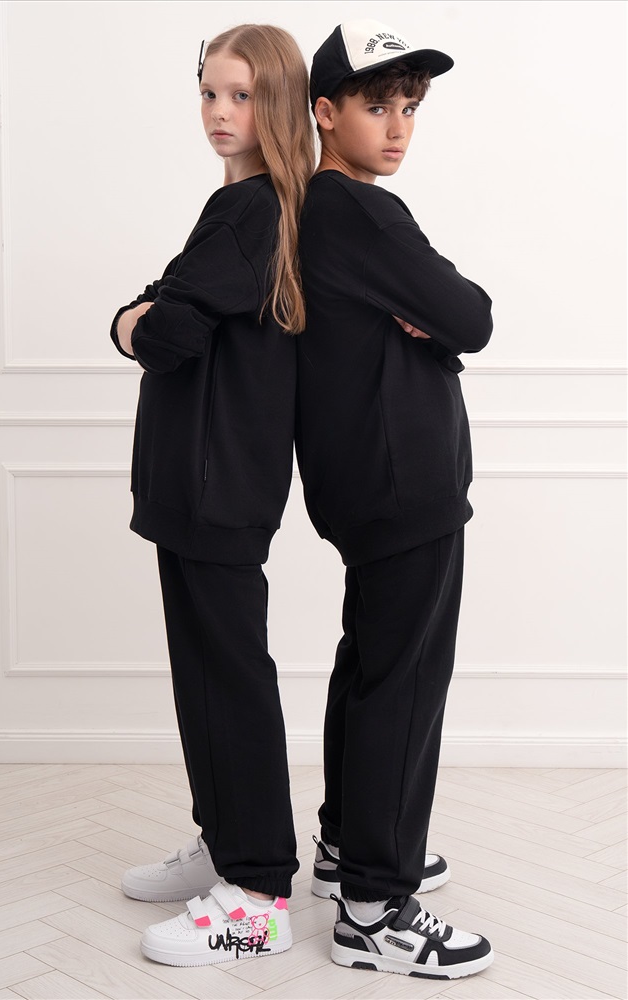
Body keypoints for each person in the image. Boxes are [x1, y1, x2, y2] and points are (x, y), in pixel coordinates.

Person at [110, 24, 314, 967]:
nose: (220, 113)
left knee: (227, 677)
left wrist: (134, 317)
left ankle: (259, 891)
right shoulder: (238, 206)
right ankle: (224, 842)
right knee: (205, 672)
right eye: (209, 93)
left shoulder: (255, 209)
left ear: (278, 104)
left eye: (242, 96)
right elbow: (172, 307)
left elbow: (168, 331)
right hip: (202, 480)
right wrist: (148, 308)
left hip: (215, 480)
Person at [296, 19, 495, 979]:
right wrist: (436, 314)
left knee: (371, 665)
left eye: (409, 107)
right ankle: (377, 909)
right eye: (377, 106)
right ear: (325, 112)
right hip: (403, 482)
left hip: (363, 481)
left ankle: (348, 847)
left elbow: (443, 317)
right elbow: (472, 315)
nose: (399, 127)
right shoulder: (362, 212)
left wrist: (428, 314)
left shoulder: (313, 208)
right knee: (403, 682)